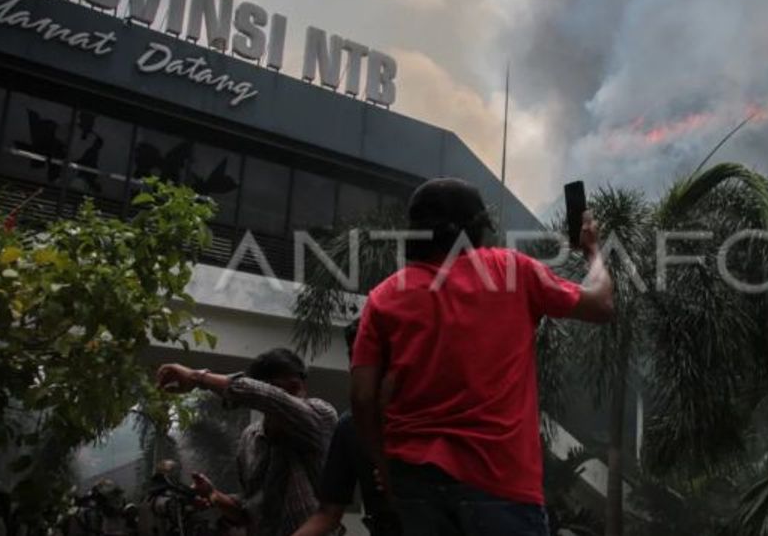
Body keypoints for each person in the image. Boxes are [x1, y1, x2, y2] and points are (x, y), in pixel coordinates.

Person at [350, 177, 615, 536]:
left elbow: (363, 396)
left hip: (416, 484)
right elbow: (601, 304)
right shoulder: (512, 271)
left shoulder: (383, 297)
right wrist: (592, 251)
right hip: (500, 482)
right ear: (474, 230)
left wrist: (383, 465)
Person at [155, 348, 338, 536]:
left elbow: (272, 399)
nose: (290, 398)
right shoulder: (249, 439)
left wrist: (197, 377)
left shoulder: (321, 415)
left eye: (294, 389)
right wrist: (215, 496)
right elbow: (249, 511)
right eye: (280, 390)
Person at [292, 323, 399, 536]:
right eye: (356, 355)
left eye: (374, 353)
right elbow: (328, 514)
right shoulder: (350, 426)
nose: (362, 364)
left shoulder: (442, 412)